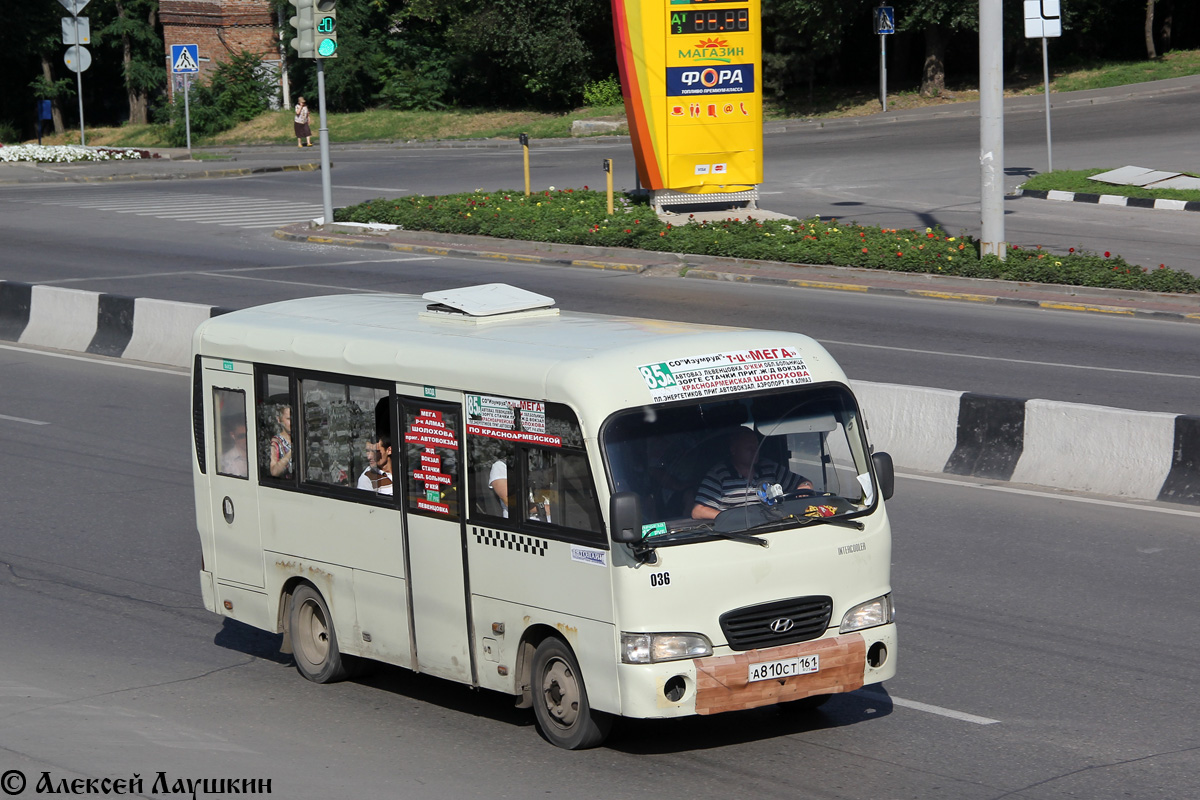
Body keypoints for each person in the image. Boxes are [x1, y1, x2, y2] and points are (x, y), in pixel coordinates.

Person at [691, 427, 812, 520]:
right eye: (749, 448)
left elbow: (804, 482)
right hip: (739, 532)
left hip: (775, 525)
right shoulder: (718, 474)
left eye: (756, 447)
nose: (755, 451)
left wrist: (803, 488)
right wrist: (732, 518)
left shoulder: (769, 468)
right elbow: (698, 511)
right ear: (734, 450)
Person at [269, 404, 293, 478]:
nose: (292, 422)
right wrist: (291, 453)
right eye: (288, 419)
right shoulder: (276, 442)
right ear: (279, 420)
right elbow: (274, 471)